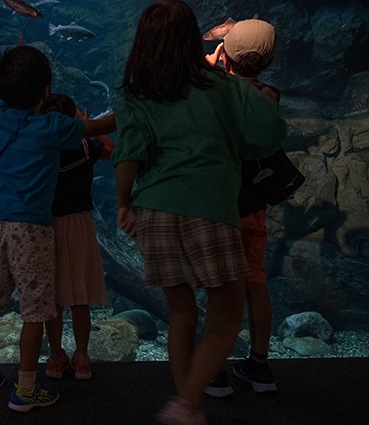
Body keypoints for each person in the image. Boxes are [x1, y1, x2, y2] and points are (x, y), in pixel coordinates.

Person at [110, 1, 285, 424]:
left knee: (182, 315)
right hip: (209, 209)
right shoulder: (224, 86)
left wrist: (124, 205)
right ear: (194, 39)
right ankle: (186, 403)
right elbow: (269, 134)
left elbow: (128, 155)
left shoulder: (137, 93)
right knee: (226, 319)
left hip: (154, 211)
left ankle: (186, 400)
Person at [0, 44, 115, 413]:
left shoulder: (0, 118)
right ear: (46, 89)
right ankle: (26, 389)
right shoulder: (52, 127)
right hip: (31, 230)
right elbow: (102, 127)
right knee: (35, 310)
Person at [203, 19, 281, 397]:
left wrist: (207, 64)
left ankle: (215, 372)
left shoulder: (216, 90)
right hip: (255, 205)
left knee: (219, 287)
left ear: (226, 54)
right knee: (255, 279)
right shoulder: (270, 94)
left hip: (220, 205)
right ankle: (259, 366)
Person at [40, 94, 115, 381]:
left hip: (49, 225)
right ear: (72, 119)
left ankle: (56, 357)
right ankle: (82, 358)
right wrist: (87, 126)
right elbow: (110, 150)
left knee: (54, 297)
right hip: (80, 224)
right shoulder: (85, 145)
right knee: (79, 297)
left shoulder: (43, 148)